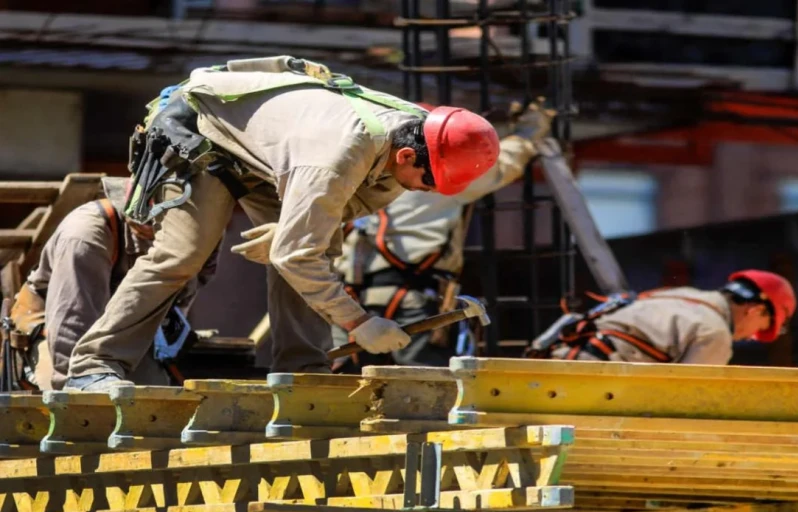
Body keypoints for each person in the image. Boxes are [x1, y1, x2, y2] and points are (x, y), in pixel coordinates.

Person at [63, 55, 500, 391]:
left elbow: (340, 212)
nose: (425, 190)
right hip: (204, 133)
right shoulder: (338, 156)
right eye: (427, 182)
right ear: (407, 156)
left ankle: (302, 373)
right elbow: (298, 251)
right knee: (183, 254)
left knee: (317, 248)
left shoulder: (414, 140)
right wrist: (357, 322)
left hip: (274, 158)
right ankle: (93, 366)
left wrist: (293, 228)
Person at [326, 98, 556, 372]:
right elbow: (503, 164)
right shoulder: (438, 176)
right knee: (425, 378)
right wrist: (531, 129)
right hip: (413, 297)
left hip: (349, 301)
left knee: (343, 377)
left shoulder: (363, 168)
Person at [7, 177, 217, 390]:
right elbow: (70, 324)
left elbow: (190, 286)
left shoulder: (200, 233)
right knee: (71, 399)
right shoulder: (85, 236)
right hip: (57, 330)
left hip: (124, 328)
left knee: (152, 398)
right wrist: (72, 394)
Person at [529, 270, 796, 365]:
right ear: (756, 310)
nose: (749, 337)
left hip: (559, 358)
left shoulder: (680, 294)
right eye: (759, 329)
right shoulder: (714, 333)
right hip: (587, 381)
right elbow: (684, 400)